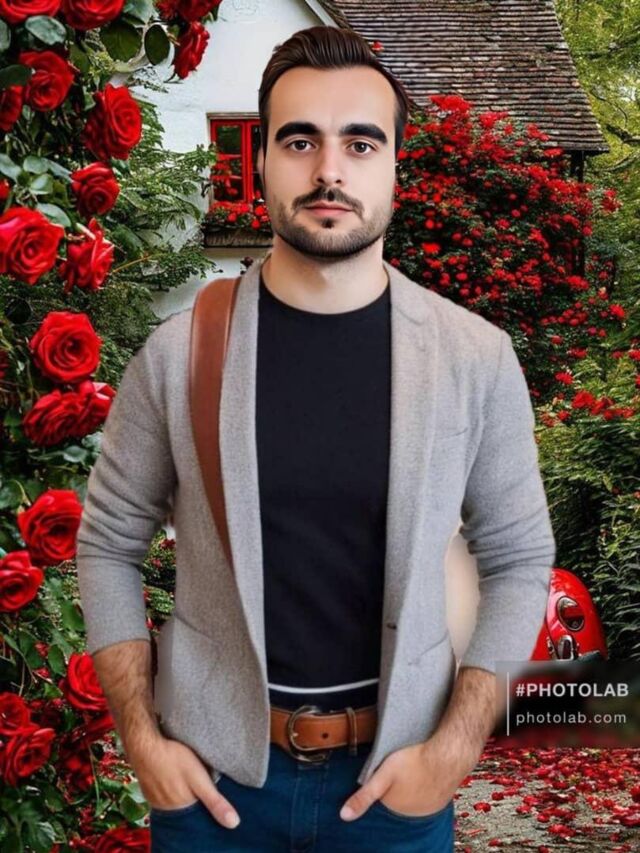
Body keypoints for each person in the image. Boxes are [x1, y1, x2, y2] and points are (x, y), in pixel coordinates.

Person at [75, 25, 556, 852]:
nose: (329, 169)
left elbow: (519, 557)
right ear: (261, 159)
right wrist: (143, 739)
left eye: (360, 143)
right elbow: (108, 542)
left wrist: (454, 749)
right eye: (300, 141)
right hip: (215, 790)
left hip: (395, 790)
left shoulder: (475, 357)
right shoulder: (179, 353)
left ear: (395, 167)